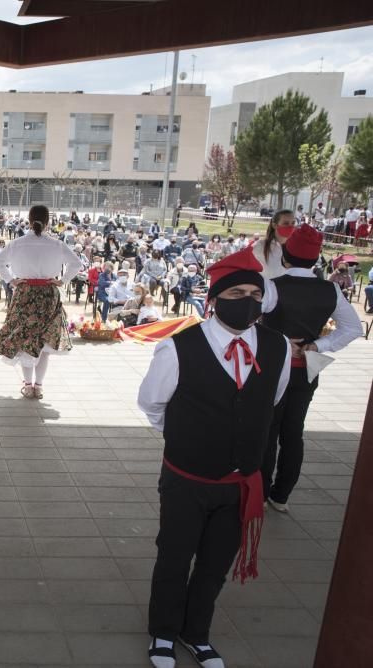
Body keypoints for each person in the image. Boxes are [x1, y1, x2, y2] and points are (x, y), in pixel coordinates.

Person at [137, 248, 291, 668]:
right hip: (187, 478)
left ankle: (196, 632)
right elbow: (152, 405)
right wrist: (188, 438)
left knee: (216, 562)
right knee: (174, 554)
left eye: (255, 295)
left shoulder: (276, 348)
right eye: (237, 292)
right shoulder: (180, 347)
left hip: (241, 481)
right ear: (216, 297)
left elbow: (271, 401)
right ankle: (164, 632)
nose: (247, 302)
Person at [260, 225, 362, 513]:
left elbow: (248, 323)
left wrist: (279, 341)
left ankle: (261, 491)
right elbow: (353, 329)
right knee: (293, 433)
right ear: (316, 259)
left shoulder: (273, 286)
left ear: (285, 256)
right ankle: (281, 496)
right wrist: (318, 345)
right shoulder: (330, 289)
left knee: (268, 432)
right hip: (307, 369)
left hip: (272, 371)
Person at [0, 205, 81, 399]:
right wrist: (62, 281)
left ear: (29, 221)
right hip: (48, 295)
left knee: (25, 340)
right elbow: (76, 264)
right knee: (45, 344)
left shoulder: (17, 243)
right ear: (48, 222)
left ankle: (28, 385)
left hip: (25, 294)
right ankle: (38, 386)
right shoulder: (57, 244)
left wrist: (12, 280)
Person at [252, 209, 296, 279]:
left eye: (293, 223)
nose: (290, 227)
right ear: (274, 225)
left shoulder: (296, 247)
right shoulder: (259, 246)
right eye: (286, 223)